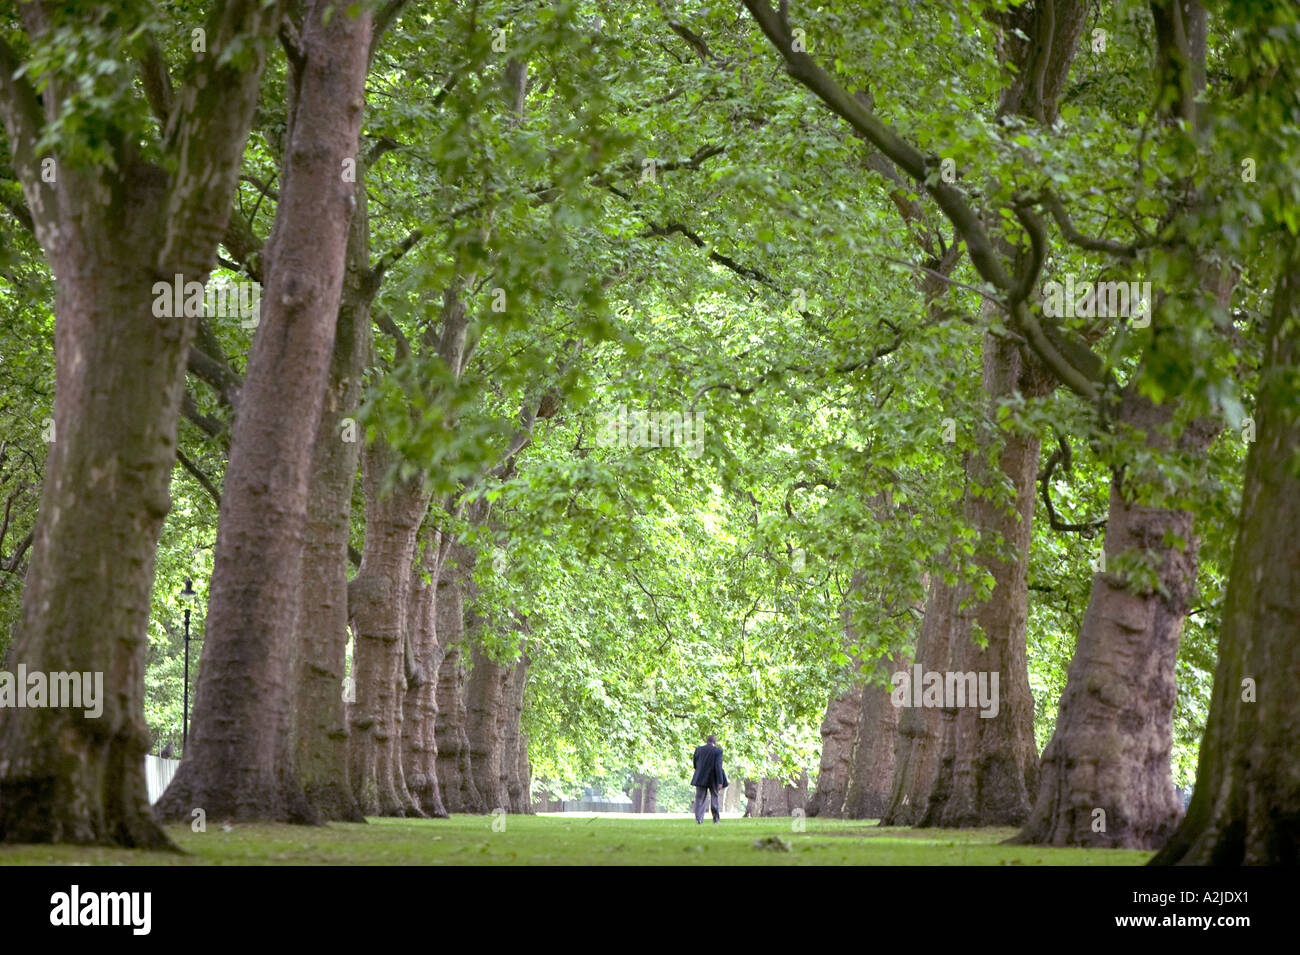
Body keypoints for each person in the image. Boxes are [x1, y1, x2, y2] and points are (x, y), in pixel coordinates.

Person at [690, 734, 728, 824]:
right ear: (715, 742)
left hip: (700, 777)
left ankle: (699, 819)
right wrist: (720, 781)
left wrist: (699, 771)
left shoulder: (699, 749)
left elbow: (695, 764)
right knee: (714, 798)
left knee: (700, 799)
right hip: (713, 778)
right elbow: (718, 766)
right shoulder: (718, 751)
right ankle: (715, 819)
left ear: (707, 741)